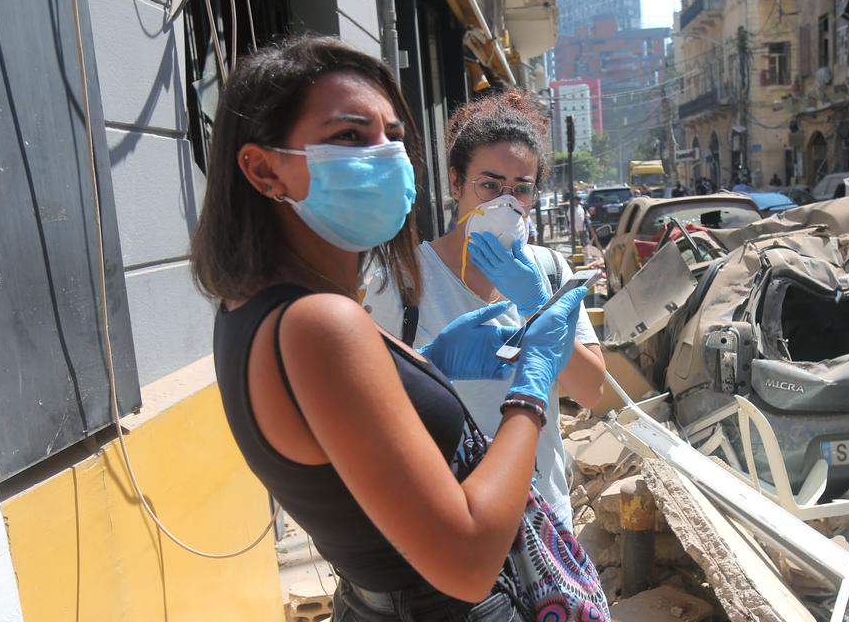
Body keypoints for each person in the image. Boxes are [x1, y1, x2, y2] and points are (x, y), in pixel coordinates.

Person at [192, 37, 589, 621]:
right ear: (263, 168)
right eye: (350, 136)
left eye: (393, 136)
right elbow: (469, 558)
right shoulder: (321, 322)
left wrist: (427, 364)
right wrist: (532, 386)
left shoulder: (251, 308)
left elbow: (348, 431)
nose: (383, 155)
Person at [368, 90, 604, 525]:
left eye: (522, 189)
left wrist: (539, 307)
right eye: (490, 184)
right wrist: (431, 363)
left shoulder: (550, 272)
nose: (505, 202)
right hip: (451, 520)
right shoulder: (403, 283)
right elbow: (370, 414)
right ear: (456, 183)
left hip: (545, 518)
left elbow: (591, 392)